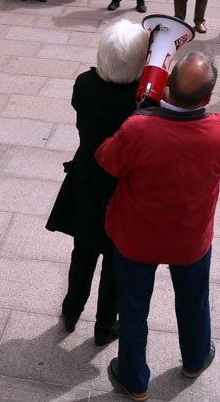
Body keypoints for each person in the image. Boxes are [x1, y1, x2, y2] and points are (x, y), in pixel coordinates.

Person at [97, 52, 220, 400]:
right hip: (190, 239)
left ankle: (134, 378)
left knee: (133, 308)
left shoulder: (139, 129)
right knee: (193, 300)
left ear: (167, 88)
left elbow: (107, 160)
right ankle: (194, 358)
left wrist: (141, 115)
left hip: (137, 238)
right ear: (206, 98)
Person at [46, 20, 148, 346]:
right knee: (115, 261)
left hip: (88, 176)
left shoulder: (84, 85)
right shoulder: (142, 103)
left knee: (84, 250)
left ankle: (71, 310)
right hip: (124, 186)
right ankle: (105, 326)